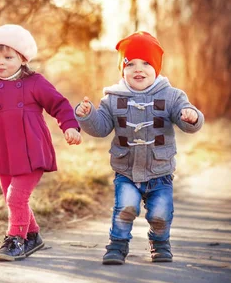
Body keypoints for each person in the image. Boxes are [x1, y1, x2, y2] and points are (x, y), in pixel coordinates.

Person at [75, 31, 204, 265]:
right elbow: (101, 127)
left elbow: (189, 123)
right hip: (126, 170)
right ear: (122, 69)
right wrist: (87, 116)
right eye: (130, 63)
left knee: (160, 215)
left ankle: (160, 243)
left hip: (160, 172)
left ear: (156, 68)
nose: (138, 69)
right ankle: (117, 245)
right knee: (125, 208)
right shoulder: (113, 98)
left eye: (146, 63)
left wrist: (192, 117)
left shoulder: (172, 96)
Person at [0, 24, 81, 262]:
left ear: (23, 58)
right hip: (2, 150)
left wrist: (70, 126)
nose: (0, 62)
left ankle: (16, 239)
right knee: (12, 198)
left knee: (16, 197)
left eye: (8, 57)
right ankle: (32, 235)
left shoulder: (35, 82)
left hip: (32, 150)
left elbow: (59, 104)